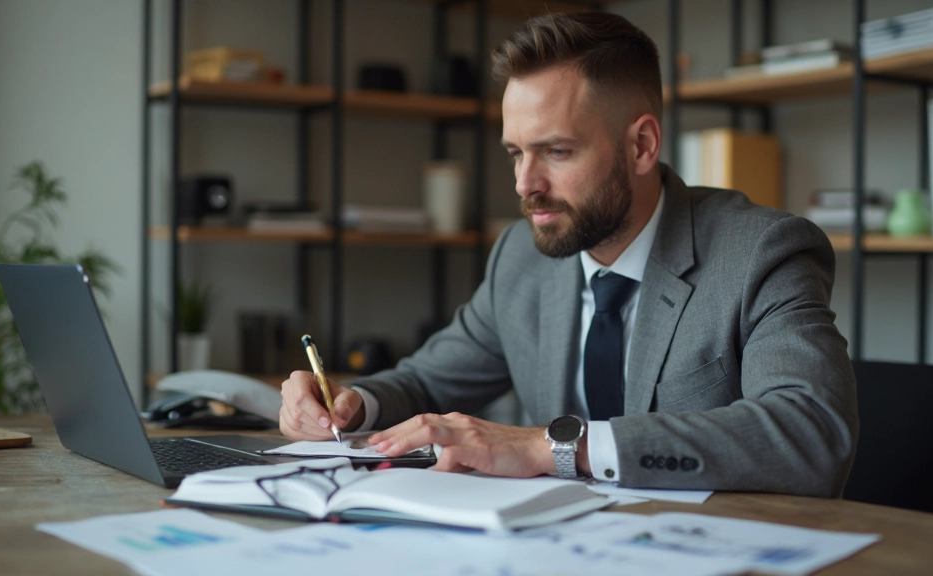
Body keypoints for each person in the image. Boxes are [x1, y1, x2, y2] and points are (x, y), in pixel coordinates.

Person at [280, 12, 858, 497]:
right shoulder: (520, 257)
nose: (524, 185)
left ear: (642, 145)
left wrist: (547, 448)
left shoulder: (761, 252)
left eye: (556, 151)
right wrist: (353, 405)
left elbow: (810, 434)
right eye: (515, 153)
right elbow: (427, 383)